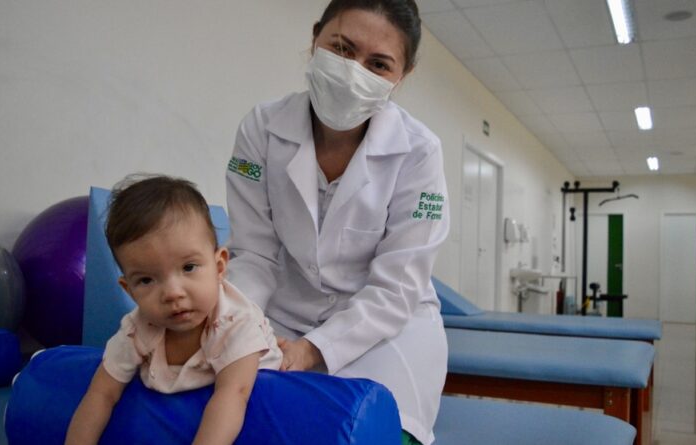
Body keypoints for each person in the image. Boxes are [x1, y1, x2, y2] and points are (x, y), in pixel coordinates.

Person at [225, 1, 448, 444]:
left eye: (378, 64)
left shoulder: (420, 152)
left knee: (378, 428)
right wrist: (230, 324)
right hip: (281, 316)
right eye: (343, 49)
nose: (354, 71)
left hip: (386, 331)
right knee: (241, 413)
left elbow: (396, 286)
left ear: (403, 75)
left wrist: (317, 349)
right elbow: (254, 253)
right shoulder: (261, 128)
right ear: (315, 39)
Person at [65, 175, 282, 445]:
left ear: (220, 266)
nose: (172, 293)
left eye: (188, 267)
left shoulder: (235, 322)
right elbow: (101, 394)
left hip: (255, 390)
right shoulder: (137, 330)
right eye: (146, 280)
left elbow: (233, 395)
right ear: (128, 289)